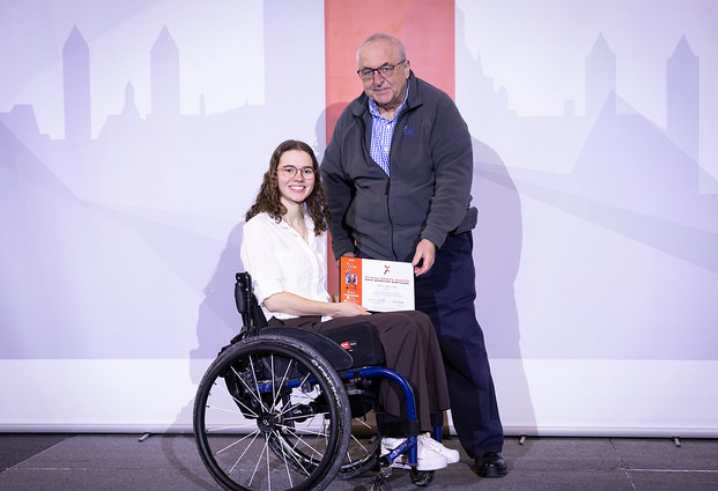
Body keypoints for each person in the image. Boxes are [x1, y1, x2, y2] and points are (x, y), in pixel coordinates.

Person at [321, 33, 507, 478]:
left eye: (386, 68)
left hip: (438, 255)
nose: (378, 79)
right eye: (367, 71)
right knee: (391, 354)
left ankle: (485, 447)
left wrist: (432, 237)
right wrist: (345, 252)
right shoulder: (352, 121)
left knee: (458, 345)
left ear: (406, 66)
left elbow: (454, 181)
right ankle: (402, 443)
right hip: (378, 264)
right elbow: (334, 187)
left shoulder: (438, 110)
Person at [240, 139, 459, 471]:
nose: (298, 177)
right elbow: (274, 298)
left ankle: (422, 432)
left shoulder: (313, 224)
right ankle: (396, 437)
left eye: (306, 170)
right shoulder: (260, 227)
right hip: (290, 330)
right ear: (274, 175)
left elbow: (312, 290)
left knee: (418, 321)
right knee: (401, 328)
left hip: (318, 322)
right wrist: (338, 309)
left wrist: (338, 303)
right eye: (289, 169)